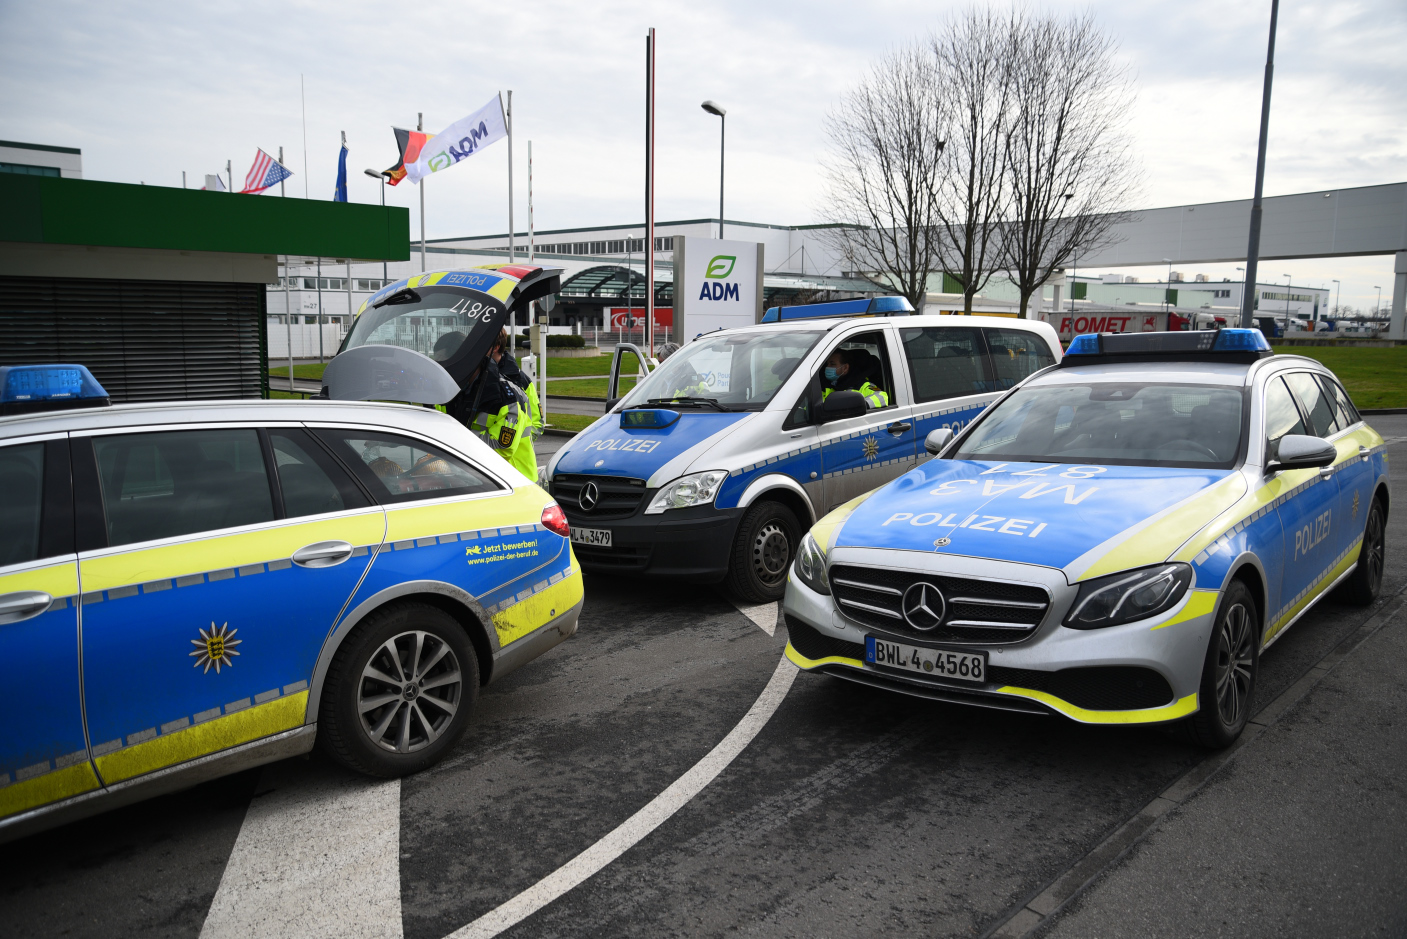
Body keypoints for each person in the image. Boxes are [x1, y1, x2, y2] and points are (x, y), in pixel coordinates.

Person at [448, 328, 539, 482]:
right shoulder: (463, 391)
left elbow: (503, 447)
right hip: (484, 476)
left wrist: (457, 439)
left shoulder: (509, 393)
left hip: (515, 480)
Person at [820, 348, 888, 409]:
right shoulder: (822, 384)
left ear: (845, 368)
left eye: (832, 364)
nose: (827, 367)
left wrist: (860, 405)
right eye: (827, 364)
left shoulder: (862, 386)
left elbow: (882, 397)